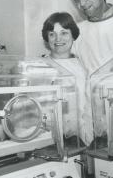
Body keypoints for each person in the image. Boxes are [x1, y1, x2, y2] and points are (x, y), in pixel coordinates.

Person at [41, 12, 93, 146]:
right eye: (52, 34)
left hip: (82, 140)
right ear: (47, 38)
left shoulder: (83, 65)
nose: (58, 39)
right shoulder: (40, 67)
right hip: (50, 140)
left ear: (73, 35)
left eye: (64, 33)